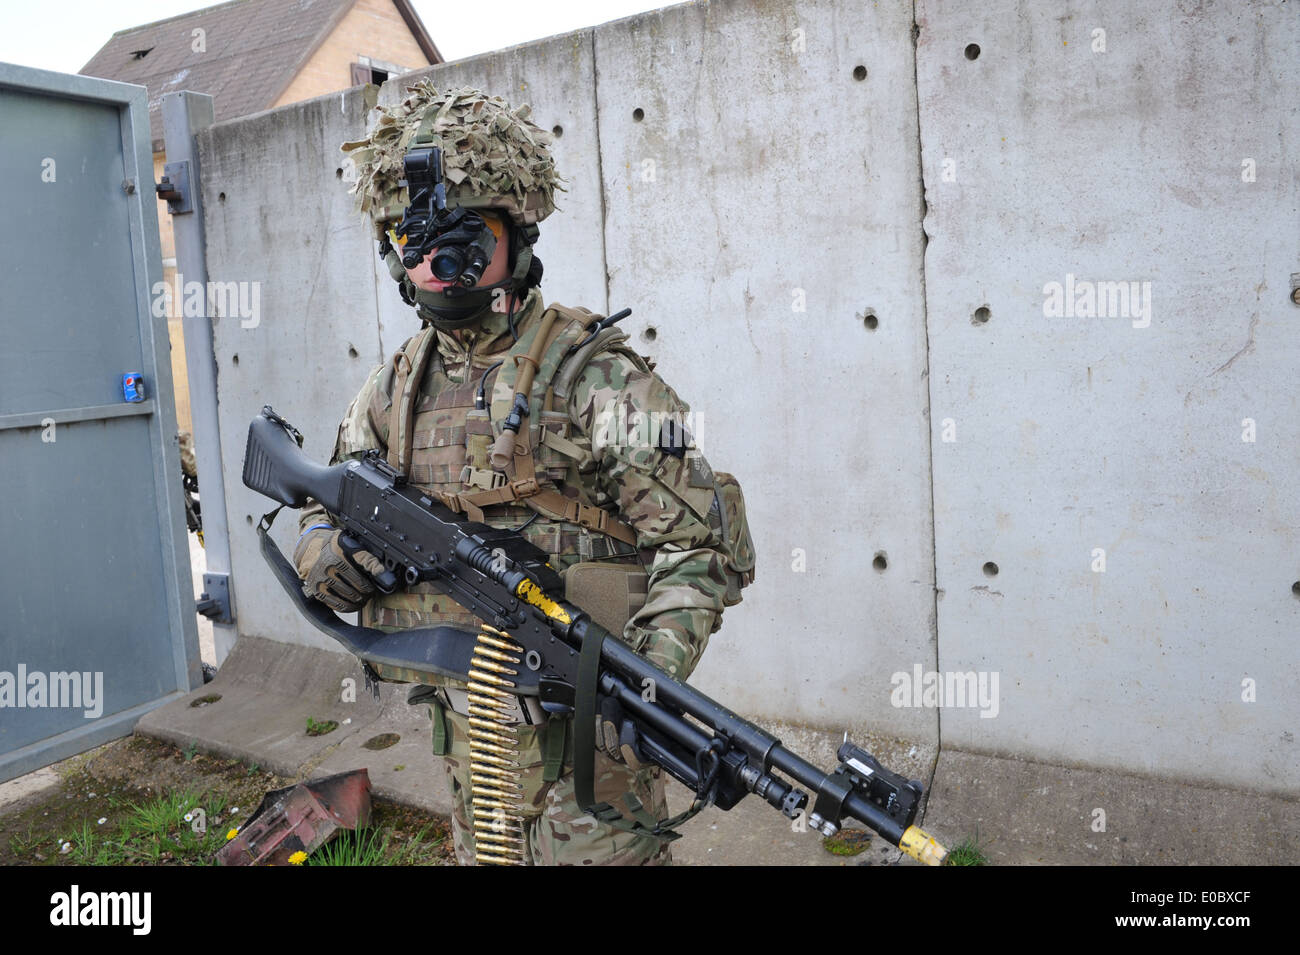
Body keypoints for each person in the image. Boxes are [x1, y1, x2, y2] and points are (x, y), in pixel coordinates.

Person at [292, 83, 753, 865]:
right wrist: (324, 558)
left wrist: (645, 682)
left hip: (593, 782)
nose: (437, 266)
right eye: (413, 241)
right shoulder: (395, 388)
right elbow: (317, 505)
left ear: (517, 234)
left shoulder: (589, 379)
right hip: (473, 757)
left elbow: (702, 545)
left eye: (461, 240)